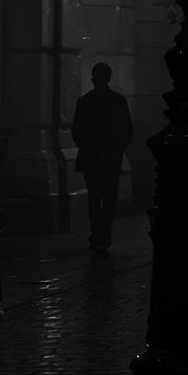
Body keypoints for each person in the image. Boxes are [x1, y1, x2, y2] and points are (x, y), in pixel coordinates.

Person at [71, 62, 133, 254]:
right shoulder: (118, 101)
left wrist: (86, 146)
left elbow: (77, 130)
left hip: (91, 157)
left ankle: (96, 233)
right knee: (109, 197)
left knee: (94, 197)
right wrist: (118, 149)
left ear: (93, 78)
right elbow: (126, 129)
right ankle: (104, 233)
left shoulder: (84, 101)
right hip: (110, 157)